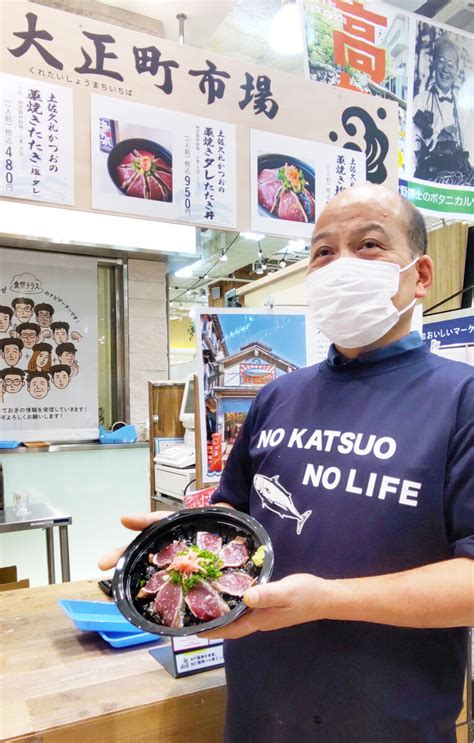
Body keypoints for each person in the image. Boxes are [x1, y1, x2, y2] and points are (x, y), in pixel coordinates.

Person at [100, 184, 474, 743]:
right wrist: (187, 541)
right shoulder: (278, 395)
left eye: (368, 245)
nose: (340, 264)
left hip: (393, 718)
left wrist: (327, 599)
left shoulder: (461, 398)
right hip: (259, 708)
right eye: (323, 251)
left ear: (420, 276)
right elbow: (235, 514)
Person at [413, 36, 471, 182]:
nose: (445, 69)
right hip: (427, 179)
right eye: (441, 61)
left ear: (457, 70)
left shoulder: (464, 109)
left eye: (451, 65)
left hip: (456, 183)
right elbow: (413, 147)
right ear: (433, 63)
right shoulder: (420, 100)